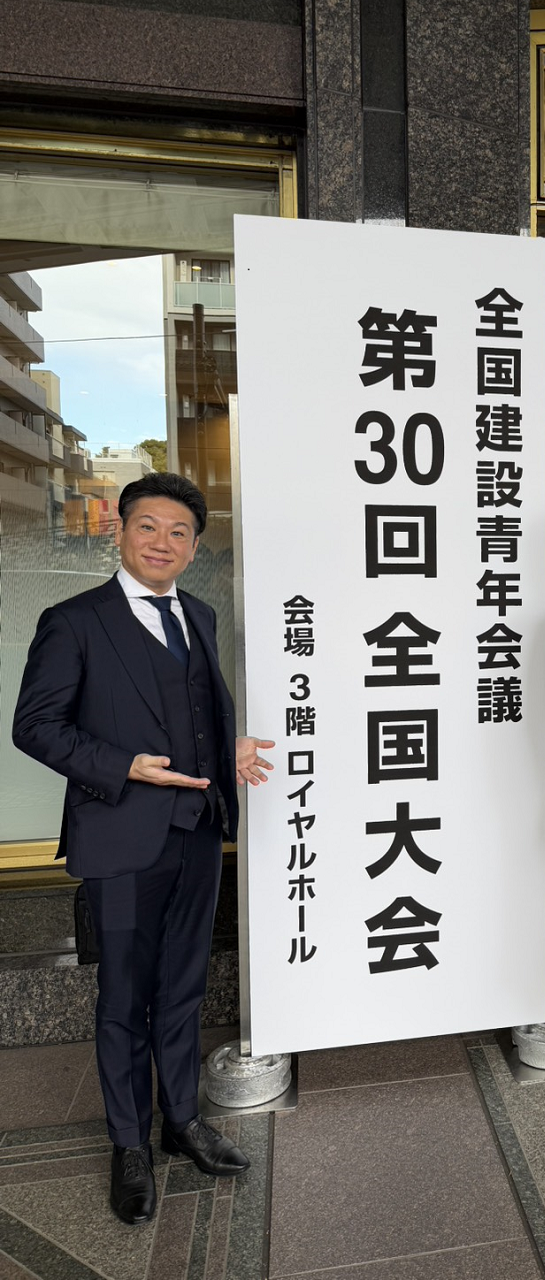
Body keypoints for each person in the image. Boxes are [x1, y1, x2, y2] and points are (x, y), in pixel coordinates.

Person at [13, 472, 276, 1224]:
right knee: (125, 998)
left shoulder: (199, 614)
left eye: (179, 533)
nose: (163, 543)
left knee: (184, 987)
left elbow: (193, 709)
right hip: (121, 834)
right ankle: (128, 1143)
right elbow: (35, 726)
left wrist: (227, 747)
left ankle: (181, 1120)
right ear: (120, 533)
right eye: (148, 528)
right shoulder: (74, 621)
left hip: (197, 831)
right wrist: (122, 765)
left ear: (193, 548)